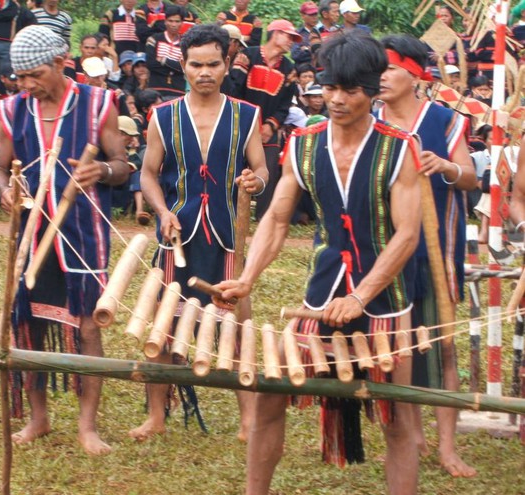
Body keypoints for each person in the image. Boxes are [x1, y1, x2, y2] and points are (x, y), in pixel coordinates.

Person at [217, 31, 422, 495]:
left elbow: (407, 234)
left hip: (385, 305)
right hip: (321, 297)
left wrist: (361, 296)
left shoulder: (399, 148)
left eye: (349, 90)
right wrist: (246, 279)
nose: (336, 98)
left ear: (372, 91)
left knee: (397, 419)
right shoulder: (304, 143)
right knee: (271, 397)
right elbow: (277, 218)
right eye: (329, 87)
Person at [0, 24, 128, 455]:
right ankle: (39, 417)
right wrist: (4, 190)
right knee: (28, 321)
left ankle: (87, 426)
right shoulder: (13, 110)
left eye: (35, 74)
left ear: (59, 62)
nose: (28, 84)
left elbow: (124, 164)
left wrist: (101, 171)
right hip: (31, 232)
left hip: (84, 230)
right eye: (21, 77)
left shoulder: (97, 105)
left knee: (89, 324)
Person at [132, 23, 268, 442]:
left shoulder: (247, 115)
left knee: (237, 324)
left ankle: (249, 420)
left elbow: (261, 170)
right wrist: (160, 210)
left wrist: (255, 183)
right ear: (183, 66)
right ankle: (157, 414)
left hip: (228, 236)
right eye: (196, 64)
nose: (204, 72)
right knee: (163, 325)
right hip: (178, 235)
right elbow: (149, 174)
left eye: (213, 63)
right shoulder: (163, 116)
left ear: (227, 65)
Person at [378, 34, 477, 478]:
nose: (380, 77)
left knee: (442, 344)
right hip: (385, 249)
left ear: (415, 74)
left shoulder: (444, 120)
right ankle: (412, 435)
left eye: (390, 68)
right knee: (401, 349)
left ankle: (448, 445)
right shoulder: (371, 120)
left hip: (437, 249)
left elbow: (470, 177)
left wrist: (448, 167)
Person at [229, 19, 299, 220]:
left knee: (267, 171)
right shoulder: (247, 56)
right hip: (240, 123)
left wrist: (270, 125)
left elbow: (285, 105)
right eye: (289, 36)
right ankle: (228, 212)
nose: (292, 41)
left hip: (267, 129)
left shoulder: (289, 69)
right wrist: (243, 121)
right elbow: (234, 89)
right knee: (233, 168)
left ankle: (264, 218)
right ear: (275, 34)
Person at [146, 4, 186, 100]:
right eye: (170, 21)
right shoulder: (154, 39)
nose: (173, 24)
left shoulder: (186, 44)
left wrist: (164, 61)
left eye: (177, 21)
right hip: (155, 90)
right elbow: (151, 64)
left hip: (178, 91)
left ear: (182, 23)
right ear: (165, 21)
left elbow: (185, 67)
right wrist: (175, 68)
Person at [291, 1, 321, 65]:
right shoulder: (298, 34)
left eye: (315, 14)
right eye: (311, 14)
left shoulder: (322, 30)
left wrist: (306, 49)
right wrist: (312, 49)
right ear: (302, 16)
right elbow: (295, 55)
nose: (314, 17)